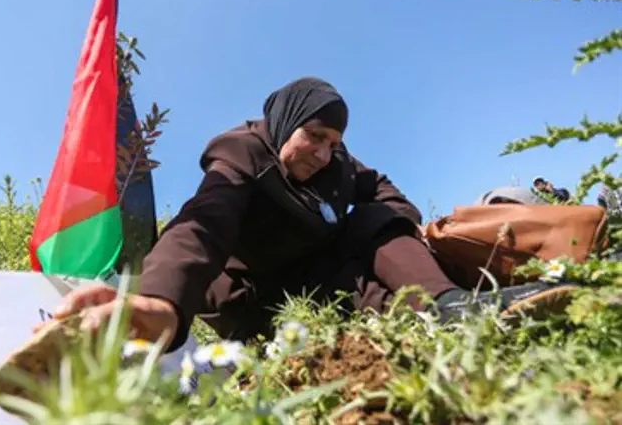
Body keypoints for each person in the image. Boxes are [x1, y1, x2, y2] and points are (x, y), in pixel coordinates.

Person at [44, 77, 579, 353]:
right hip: (255, 301)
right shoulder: (241, 154)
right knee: (356, 241)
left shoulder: (338, 162)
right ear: (286, 124)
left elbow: (383, 189)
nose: (324, 153)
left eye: (334, 141)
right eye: (314, 137)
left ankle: (452, 310)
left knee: (375, 222)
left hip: (318, 276)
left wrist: (407, 230)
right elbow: (204, 222)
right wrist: (160, 301)